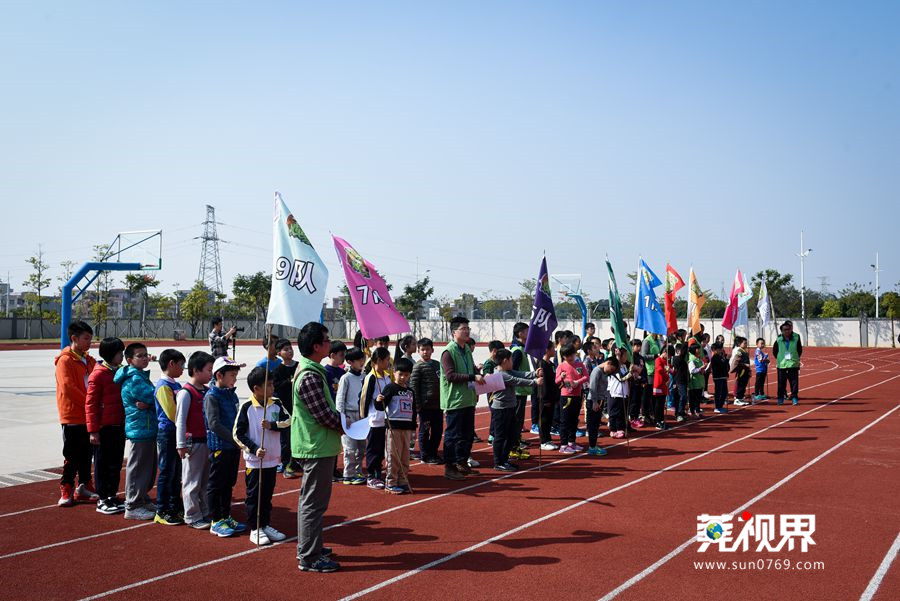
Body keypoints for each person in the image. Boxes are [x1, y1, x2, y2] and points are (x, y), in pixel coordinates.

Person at [292, 322, 343, 573]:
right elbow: (323, 415)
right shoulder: (310, 376)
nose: (329, 343)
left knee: (314, 502)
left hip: (318, 444)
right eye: (326, 339)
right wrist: (347, 425)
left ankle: (311, 546)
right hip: (315, 446)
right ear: (316, 346)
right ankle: (309, 556)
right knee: (312, 503)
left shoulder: (313, 370)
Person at [234, 366, 291, 546]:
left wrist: (272, 425)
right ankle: (255, 528)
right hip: (255, 460)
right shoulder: (247, 407)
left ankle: (265, 524)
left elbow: (289, 420)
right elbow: (237, 434)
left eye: (273, 384)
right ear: (256, 388)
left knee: (267, 495)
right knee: (254, 495)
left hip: (272, 459)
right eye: (268, 385)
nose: (272, 388)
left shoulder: (276, 403)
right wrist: (253, 448)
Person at [55, 320, 99, 507]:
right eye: (86, 338)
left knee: (86, 453)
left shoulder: (89, 360)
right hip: (73, 415)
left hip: (88, 415)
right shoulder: (65, 360)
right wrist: (90, 404)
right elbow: (68, 388)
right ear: (74, 338)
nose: (90, 342)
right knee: (72, 454)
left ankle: (84, 485)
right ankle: (66, 488)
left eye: (90, 338)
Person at [114, 343, 159, 520]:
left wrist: (150, 404)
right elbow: (156, 395)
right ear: (129, 360)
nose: (145, 358)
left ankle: (141, 497)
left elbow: (153, 398)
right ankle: (132, 505)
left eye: (146, 355)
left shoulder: (140, 375)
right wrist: (152, 402)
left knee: (147, 467)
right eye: (140, 355)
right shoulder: (134, 379)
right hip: (139, 429)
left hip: (147, 428)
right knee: (138, 467)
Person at [204, 356, 245, 537]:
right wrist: (235, 438)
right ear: (219, 375)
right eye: (232, 375)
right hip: (220, 446)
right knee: (216, 484)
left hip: (232, 447)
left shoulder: (232, 394)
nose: (235, 378)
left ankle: (226, 515)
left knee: (229, 483)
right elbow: (214, 424)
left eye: (236, 375)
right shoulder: (212, 396)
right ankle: (216, 520)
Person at [439, 316, 484, 480]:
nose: (467, 331)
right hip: (455, 401)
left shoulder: (466, 350)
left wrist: (479, 375)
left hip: (468, 399)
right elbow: (450, 376)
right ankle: (449, 467)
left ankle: (462, 463)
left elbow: (471, 370)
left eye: (468, 329)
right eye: (463, 329)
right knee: (453, 436)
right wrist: (473, 377)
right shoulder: (448, 352)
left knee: (466, 435)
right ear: (453, 332)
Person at [86, 337, 126, 515]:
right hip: (104, 428)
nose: (122, 356)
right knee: (102, 464)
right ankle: (102, 498)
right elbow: (91, 404)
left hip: (119, 425)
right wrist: (93, 430)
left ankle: (112, 495)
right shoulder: (99, 374)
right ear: (110, 354)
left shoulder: (120, 372)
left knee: (115, 464)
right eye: (119, 353)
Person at [176, 351, 215, 530]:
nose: (211, 373)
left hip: (207, 441)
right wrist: (181, 445)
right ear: (195, 370)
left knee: (205, 481)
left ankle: (205, 511)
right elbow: (180, 421)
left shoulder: (208, 391)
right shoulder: (186, 393)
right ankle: (192, 515)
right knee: (192, 481)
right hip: (193, 444)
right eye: (208, 370)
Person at [490, 349, 541, 471]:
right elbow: (517, 381)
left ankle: (504, 459)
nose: (513, 361)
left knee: (512, 435)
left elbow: (519, 374)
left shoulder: (507, 371)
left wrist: (534, 374)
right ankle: (498, 462)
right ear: (505, 361)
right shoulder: (500, 374)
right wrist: (535, 382)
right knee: (501, 436)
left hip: (510, 407)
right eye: (511, 359)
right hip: (501, 409)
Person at [154, 349, 186, 525]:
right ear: (171, 364)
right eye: (181, 365)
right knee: (167, 471)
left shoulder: (176, 385)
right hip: (168, 433)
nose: (183, 369)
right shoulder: (163, 386)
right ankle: (162, 509)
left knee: (176, 472)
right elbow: (173, 413)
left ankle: (174, 505)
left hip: (176, 432)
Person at [376, 358, 417, 493]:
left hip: (406, 429)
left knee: (405, 456)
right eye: (400, 374)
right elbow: (380, 407)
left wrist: (413, 427)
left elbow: (413, 410)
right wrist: (378, 400)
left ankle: (403, 480)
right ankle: (391, 482)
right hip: (393, 428)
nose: (403, 377)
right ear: (394, 372)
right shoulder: (391, 388)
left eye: (406, 375)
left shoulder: (410, 391)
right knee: (394, 456)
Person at [360, 347, 392, 489]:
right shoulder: (370, 377)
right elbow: (364, 399)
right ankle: (371, 475)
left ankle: (378, 473)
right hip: (374, 419)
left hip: (385, 418)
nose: (388, 362)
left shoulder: (387, 376)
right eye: (386, 360)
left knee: (381, 448)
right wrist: (364, 419)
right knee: (373, 448)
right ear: (379, 360)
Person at [335, 347, 367, 485]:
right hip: (349, 416)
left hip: (362, 416)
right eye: (358, 360)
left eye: (362, 359)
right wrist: (342, 417)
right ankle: (348, 474)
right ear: (349, 361)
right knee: (349, 447)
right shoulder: (345, 378)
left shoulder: (365, 377)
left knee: (361, 447)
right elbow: (340, 399)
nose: (362, 362)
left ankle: (358, 471)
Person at [410, 338, 443, 465]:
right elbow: (414, 387)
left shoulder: (436, 364)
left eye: (427, 349)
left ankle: (433, 453)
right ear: (418, 351)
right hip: (425, 406)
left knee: (438, 431)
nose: (425, 352)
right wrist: (417, 405)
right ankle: (425, 455)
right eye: (422, 349)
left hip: (438, 405)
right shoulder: (417, 366)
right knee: (424, 430)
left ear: (432, 350)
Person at [272, 339, 300, 478]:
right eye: (285, 349)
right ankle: (286, 464)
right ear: (279, 353)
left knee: (298, 436)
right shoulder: (278, 370)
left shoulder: (299, 366)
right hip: (285, 408)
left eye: (290, 348)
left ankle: (297, 461)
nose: (289, 351)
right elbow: (276, 387)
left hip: (299, 407)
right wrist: (290, 382)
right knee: (286, 439)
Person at [555, 344, 588, 453]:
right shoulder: (561, 366)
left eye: (572, 354)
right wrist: (562, 377)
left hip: (577, 395)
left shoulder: (579, 364)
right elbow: (556, 381)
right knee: (565, 421)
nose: (570, 357)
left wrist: (577, 382)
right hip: (566, 396)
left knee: (574, 420)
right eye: (567, 356)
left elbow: (586, 376)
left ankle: (571, 442)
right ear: (563, 356)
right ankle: (563, 445)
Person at [509, 323, 533, 456]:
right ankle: (514, 447)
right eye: (527, 331)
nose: (529, 334)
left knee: (518, 419)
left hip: (521, 389)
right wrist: (529, 381)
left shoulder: (520, 348)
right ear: (520, 334)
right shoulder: (517, 351)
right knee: (517, 420)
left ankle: (516, 444)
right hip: (518, 390)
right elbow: (513, 372)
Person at [536, 341, 561, 450]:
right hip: (544, 397)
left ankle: (548, 439)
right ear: (547, 350)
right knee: (544, 419)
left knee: (549, 418)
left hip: (552, 396)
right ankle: (543, 441)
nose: (554, 351)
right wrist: (544, 397)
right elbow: (543, 383)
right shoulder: (541, 364)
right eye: (552, 348)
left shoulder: (550, 364)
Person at [586, 358, 613, 455]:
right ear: (608, 363)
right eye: (611, 369)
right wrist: (594, 401)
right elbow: (592, 387)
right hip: (594, 401)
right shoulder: (596, 371)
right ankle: (592, 447)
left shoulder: (604, 372)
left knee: (596, 424)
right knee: (593, 425)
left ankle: (593, 445)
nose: (611, 372)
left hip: (600, 400)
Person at [773, 321, 803, 405]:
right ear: (782, 331)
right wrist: (780, 359)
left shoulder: (796, 337)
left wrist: (795, 358)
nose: (787, 331)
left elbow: (799, 350)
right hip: (782, 365)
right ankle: (780, 398)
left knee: (794, 383)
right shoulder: (778, 339)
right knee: (781, 383)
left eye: (789, 329)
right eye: (785, 330)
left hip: (793, 364)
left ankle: (794, 397)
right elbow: (775, 351)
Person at [481, 340, 504, 445]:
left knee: (498, 415)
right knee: (495, 414)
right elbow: (486, 375)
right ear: (494, 351)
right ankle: (492, 435)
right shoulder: (489, 363)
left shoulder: (497, 362)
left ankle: (496, 434)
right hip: (492, 393)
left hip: (499, 391)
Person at [606, 355, 628, 438]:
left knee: (621, 412)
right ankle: (613, 429)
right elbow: (622, 378)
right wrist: (630, 373)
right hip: (615, 393)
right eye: (625, 355)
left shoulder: (624, 366)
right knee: (614, 412)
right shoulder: (614, 369)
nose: (626, 357)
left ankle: (620, 428)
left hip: (623, 393)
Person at [651, 345, 672, 430]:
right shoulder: (658, 359)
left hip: (664, 384)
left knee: (662, 403)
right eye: (669, 355)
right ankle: (657, 421)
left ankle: (661, 420)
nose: (669, 357)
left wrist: (669, 369)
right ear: (665, 352)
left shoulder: (666, 361)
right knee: (658, 404)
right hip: (659, 384)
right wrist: (666, 369)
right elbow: (659, 369)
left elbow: (670, 369)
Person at [628, 339, 647, 428]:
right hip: (633, 382)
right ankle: (632, 418)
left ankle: (636, 417)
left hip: (640, 382)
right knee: (633, 401)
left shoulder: (641, 358)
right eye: (636, 346)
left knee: (638, 401)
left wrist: (644, 379)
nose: (639, 348)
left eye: (640, 346)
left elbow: (644, 369)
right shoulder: (630, 357)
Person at [730, 336, 752, 406]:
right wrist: (744, 365)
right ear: (740, 344)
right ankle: (737, 399)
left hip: (746, 371)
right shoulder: (739, 352)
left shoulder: (744, 351)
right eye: (744, 343)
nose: (746, 345)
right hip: (742, 371)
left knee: (744, 384)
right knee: (741, 384)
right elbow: (736, 362)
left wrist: (749, 370)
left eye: (746, 343)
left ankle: (741, 398)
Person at [709, 342, 730, 414]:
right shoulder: (715, 357)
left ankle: (720, 406)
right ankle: (717, 407)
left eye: (721, 349)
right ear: (715, 350)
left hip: (723, 376)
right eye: (719, 349)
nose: (721, 350)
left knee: (724, 392)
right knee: (718, 392)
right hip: (718, 377)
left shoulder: (721, 356)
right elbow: (722, 365)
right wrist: (726, 359)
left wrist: (726, 359)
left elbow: (726, 366)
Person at [671, 343, 689, 422]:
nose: (684, 352)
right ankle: (679, 413)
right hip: (678, 381)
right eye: (682, 350)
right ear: (678, 351)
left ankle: (680, 413)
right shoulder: (676, 358)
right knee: (682, 396)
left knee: (682, 397)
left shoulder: (683, 359)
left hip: (683, 380)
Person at [687, 344, 705, 417]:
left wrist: (703, 369)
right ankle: (692, 411)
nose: (699, 350)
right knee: (693, 398)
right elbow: (692, 370)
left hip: (699, 381)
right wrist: (701, 368)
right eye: (698, 349)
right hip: (694, 382)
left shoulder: (698, 358)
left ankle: (697, 410)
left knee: (698, 398)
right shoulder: (692, 359)